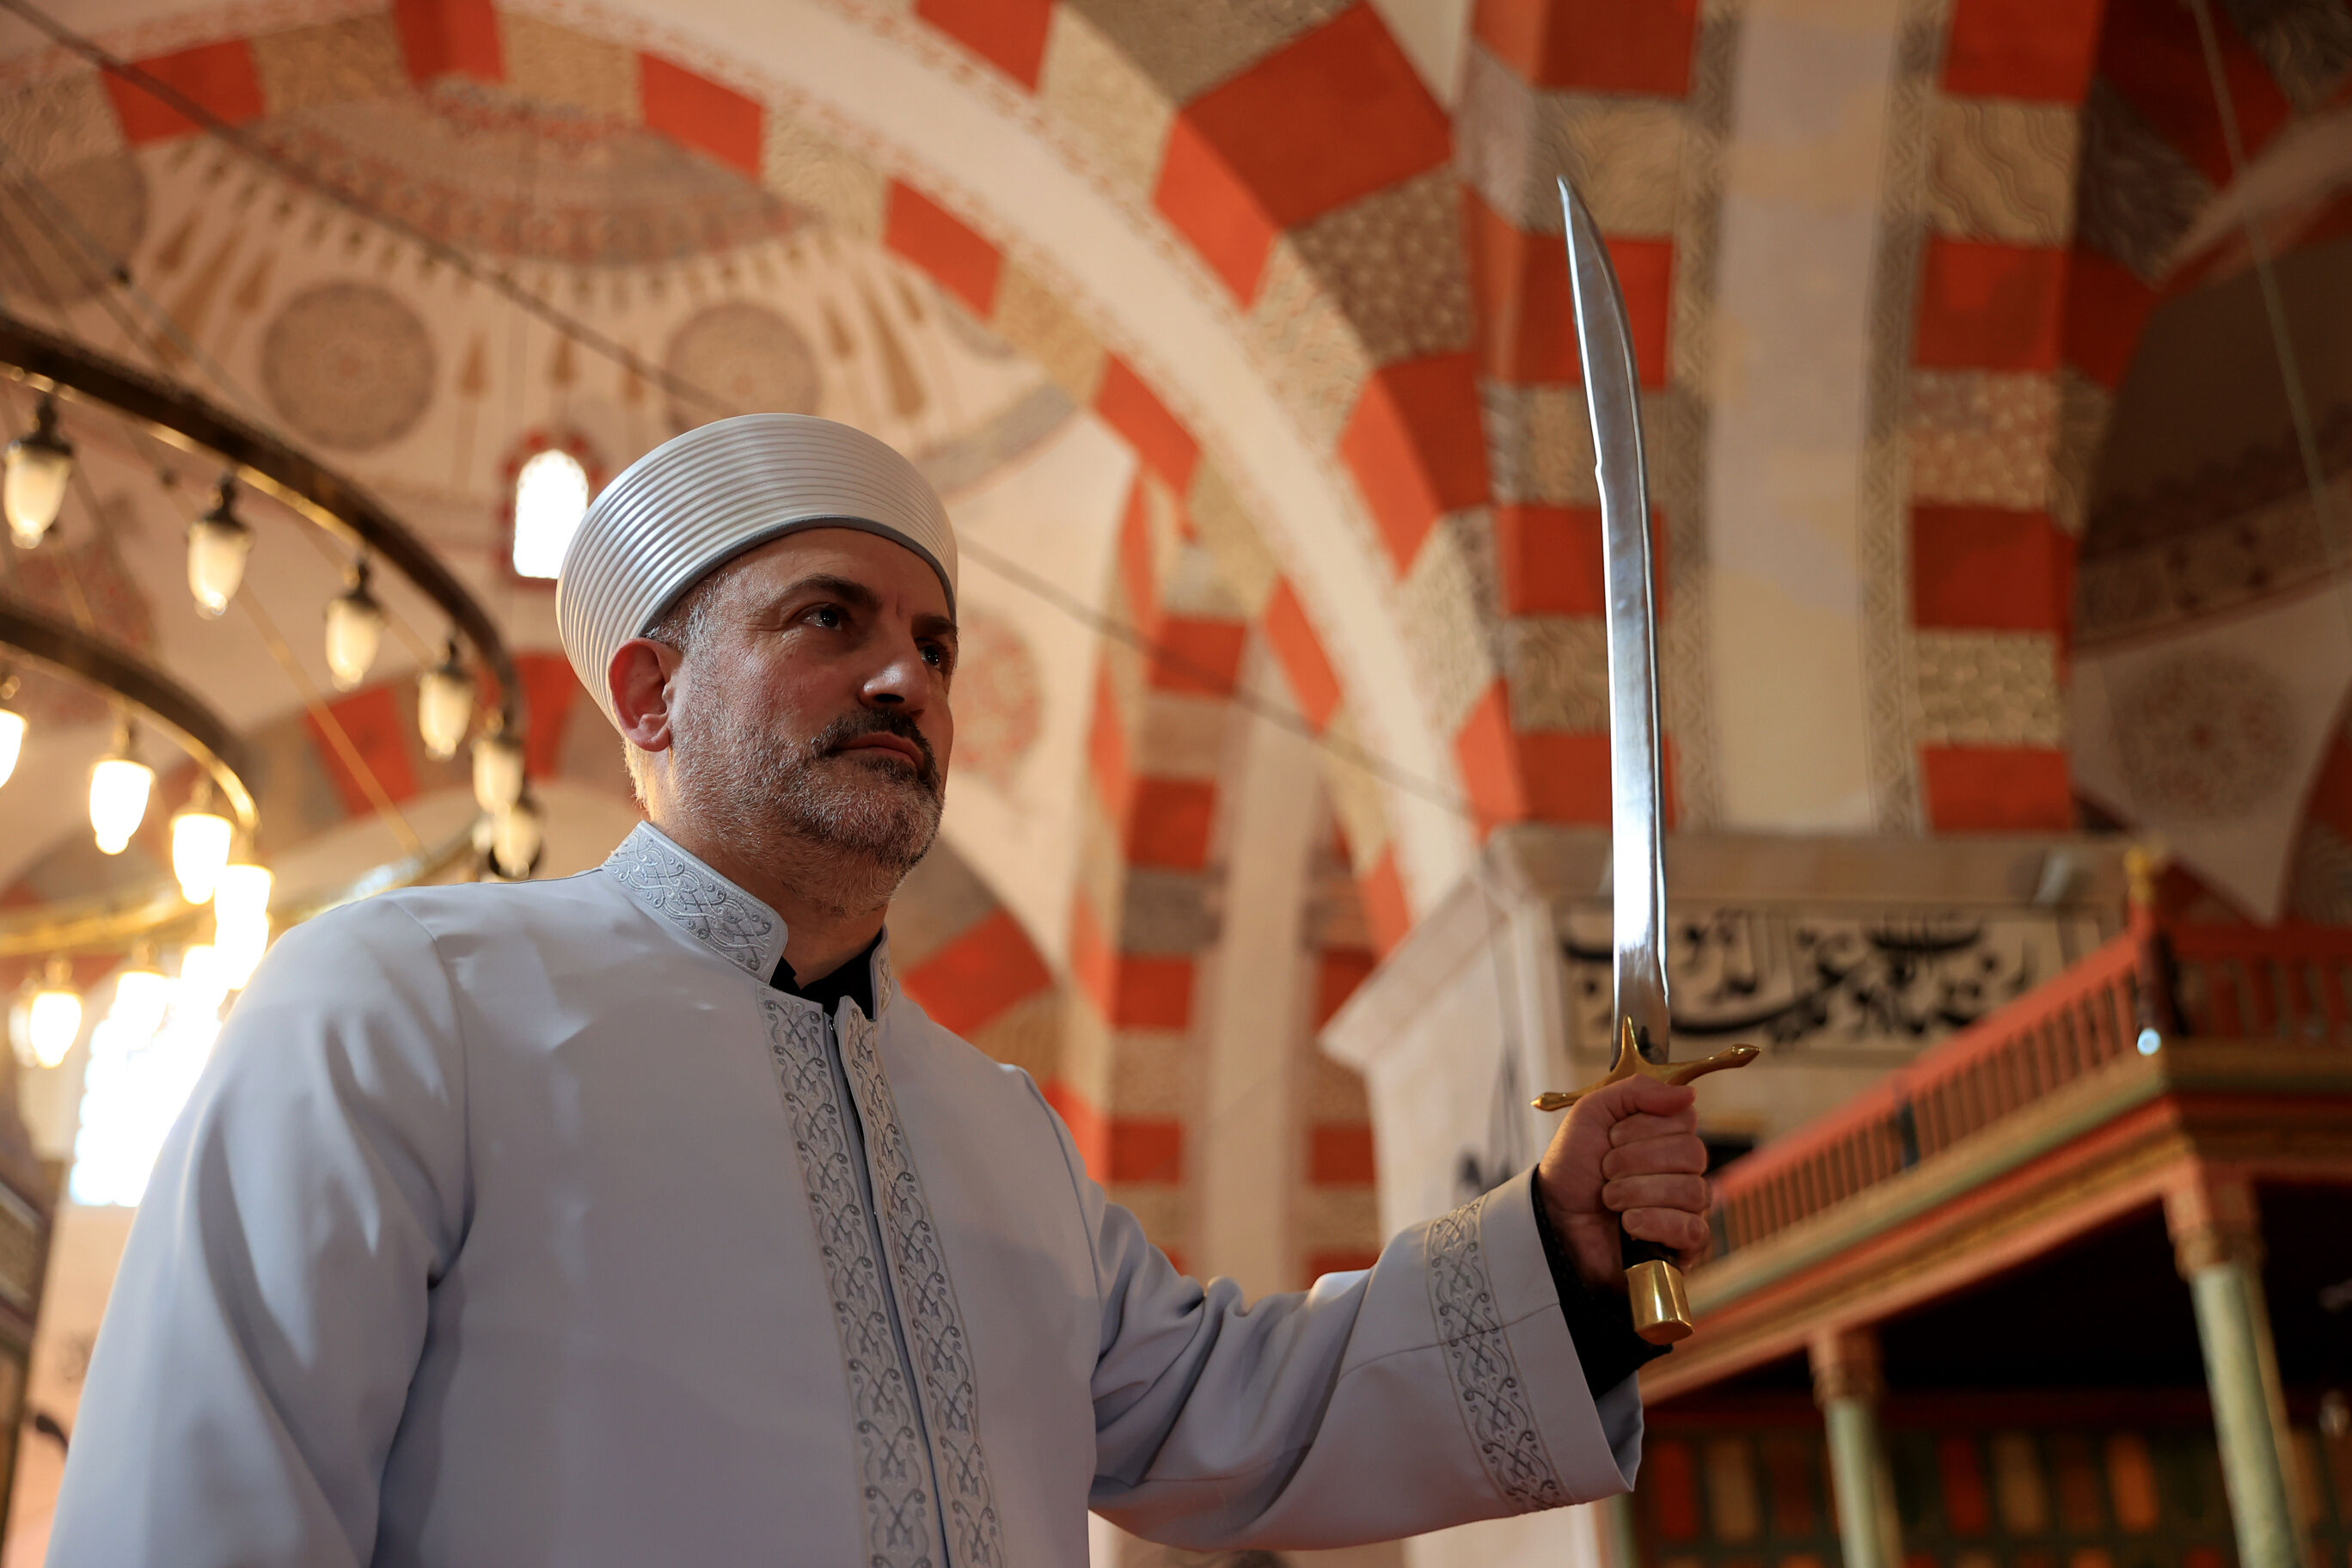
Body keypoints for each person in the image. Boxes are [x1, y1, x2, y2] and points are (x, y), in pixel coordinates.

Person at [47, 415, 1713, 1566]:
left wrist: (1552, 1264)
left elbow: (1221, 1414)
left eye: (933, 639)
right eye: (826, 620)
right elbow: (209, 1500)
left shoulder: (998, 1126)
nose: (904, 675)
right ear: (646, 693)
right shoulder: (404, 1003)